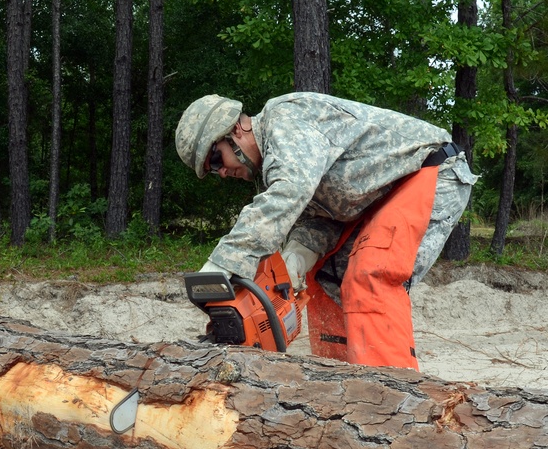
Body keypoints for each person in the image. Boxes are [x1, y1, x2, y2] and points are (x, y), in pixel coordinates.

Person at [175, 92, 477, 370]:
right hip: (379, 200)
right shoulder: (283, 159)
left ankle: (392, 389)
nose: (222, 172)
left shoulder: (285, 120)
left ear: (234, 130)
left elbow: (289, 192)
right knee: (325, 280)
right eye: (213, 171)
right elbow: (322, 218)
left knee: (371, 275)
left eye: (216, 159)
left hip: (430, 173)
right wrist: (293, 261)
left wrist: (224, 263)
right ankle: (343, 380)